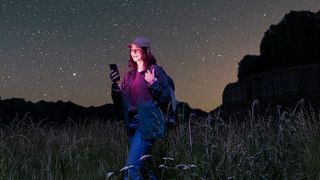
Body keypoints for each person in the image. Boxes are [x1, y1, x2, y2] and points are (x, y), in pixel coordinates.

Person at [110, 37, 172, 179]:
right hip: (131, 124)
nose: (134, 53)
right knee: (143, 169)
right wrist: (114, 86)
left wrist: (153, 84)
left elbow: (165, 98)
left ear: (146, 51)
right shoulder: (128, 76)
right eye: (132, 50)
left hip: (146, 124)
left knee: (131, 169)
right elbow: (119, 102)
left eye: (137, 49)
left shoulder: (155, 71)